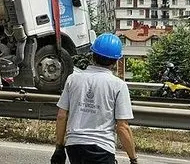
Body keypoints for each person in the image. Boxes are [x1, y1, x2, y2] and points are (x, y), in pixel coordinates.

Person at [51, 33, 137, 164]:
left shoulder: (73, 79)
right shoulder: (118, 85)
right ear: (116, 60)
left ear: (92, 55)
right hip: (102, 148)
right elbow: (122, 127)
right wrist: (133, 159)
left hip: (74, 146)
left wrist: (59, 147)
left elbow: (62, 116)